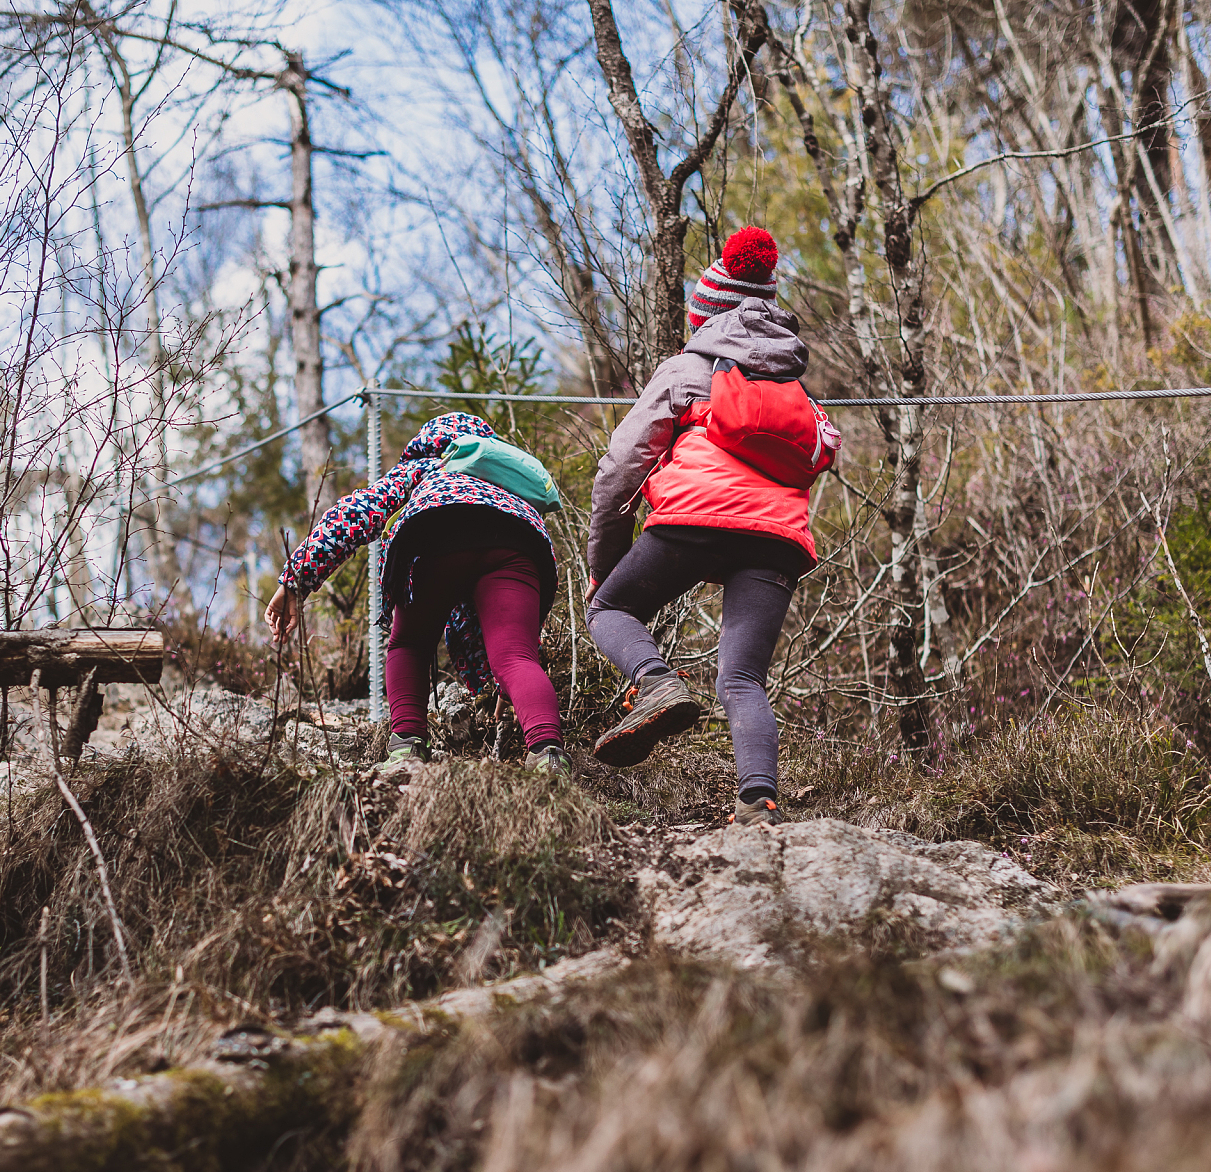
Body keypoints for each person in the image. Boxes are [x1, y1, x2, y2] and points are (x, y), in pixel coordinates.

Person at [584, 226, 837, 825]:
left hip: (693, 517)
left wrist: (605, 568)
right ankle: (759, 801)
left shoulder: (684, 370)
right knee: (743, 676)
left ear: (707, 315)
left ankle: (655, 683)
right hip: (777, 538)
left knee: (609, 613)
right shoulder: (795, 385)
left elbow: (619, 470)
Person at [265, 412, 569, 776]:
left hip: (435, 536)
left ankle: (406, 750)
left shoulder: (427, 466)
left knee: (409, 644)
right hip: (520, 545)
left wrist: (296, 581)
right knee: (518, 657)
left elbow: (354, 514)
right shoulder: (508, 479)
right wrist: (513, 680)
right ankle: (548, 754)